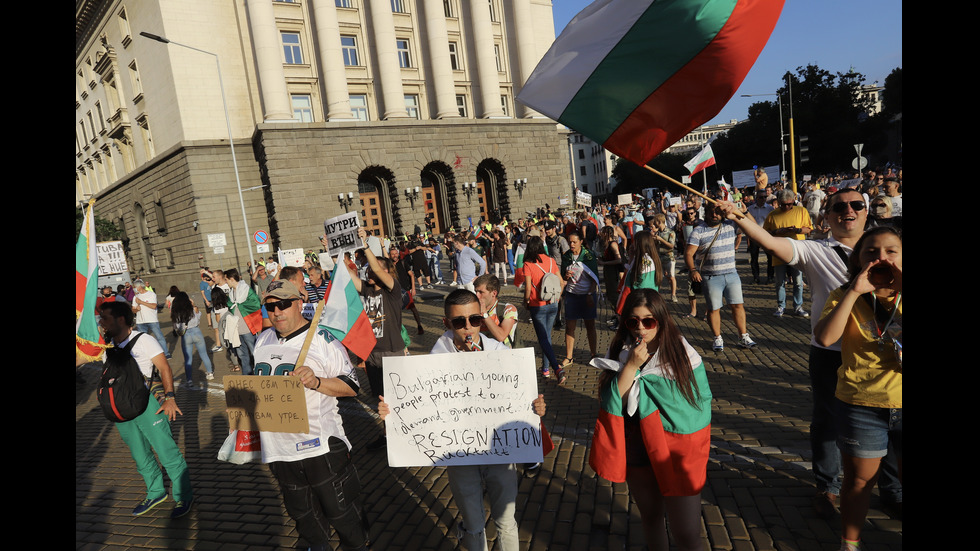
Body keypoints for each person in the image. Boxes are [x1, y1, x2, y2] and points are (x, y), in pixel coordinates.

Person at [718, 189, 902, 520]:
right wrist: (738, 216)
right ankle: (827, 488)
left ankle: (893, 491)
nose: (848, 210)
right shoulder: (815, 249)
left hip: (886, 356)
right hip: (831, 352)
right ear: (826, 216)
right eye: (839, 206)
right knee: (827, 421)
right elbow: (772, 243)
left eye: (856, 204)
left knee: (887, 420)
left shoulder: (891, 249)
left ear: (866, 212)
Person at [377, 289, 547, 551]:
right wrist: (393, 414)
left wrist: (535, 407)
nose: (468, 327)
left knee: (506, 521)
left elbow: (521, 396)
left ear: (482, 318)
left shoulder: (499, 351)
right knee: (474, 523)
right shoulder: (435, 362)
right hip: (460, 454)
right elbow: (415, 407)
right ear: (447, 324)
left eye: (475, 319)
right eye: (459, 322)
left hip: (499, 451)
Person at [589, 288, 711, 551]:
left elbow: (696, 411)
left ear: (661, 320)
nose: (640, 328)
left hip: (675, 448)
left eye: (648, 321)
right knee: (651, 517)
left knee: (687, 533)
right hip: (637, 443)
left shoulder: (683, 356)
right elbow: (614, 404)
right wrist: (631, 366)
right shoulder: (623, 350)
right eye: (633, 321)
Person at [253, 280, 370, 551]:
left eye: (283, 304)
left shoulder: (322, 339)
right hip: (279, 451)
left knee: (344, 517)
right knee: (306, 524)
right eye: (270, 306)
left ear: (299, 303)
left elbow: (352, 388)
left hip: (320, 448)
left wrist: (317, 381)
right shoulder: (262, 339)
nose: (277, 311)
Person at [813, 227, 902, 551]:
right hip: (861, 404)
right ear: (858, 259)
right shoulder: (844, 293)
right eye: (871, 252)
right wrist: (854, 291)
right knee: (859, 482)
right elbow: (824, 338)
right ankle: (850, 543)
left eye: (891, 251)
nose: (881, 258)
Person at [98, 301, 193, 519]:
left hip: (148, 403)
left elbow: (164, 367)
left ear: (121, 319)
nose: (101, 323)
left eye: (105, 318)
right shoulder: (107, 344)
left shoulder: (143, 340)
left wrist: (169, 398)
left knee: (167, 451)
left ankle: (183, 495)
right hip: (120, 408)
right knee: (140, 455)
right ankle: (156, 492)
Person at [341, 228, 407, 452]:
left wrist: (366, 245)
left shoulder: (392, 290)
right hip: (372, 353)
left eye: (377, 267)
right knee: (382, 400)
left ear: (388, 272)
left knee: (398, 398)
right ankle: (388, 436)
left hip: (391, 351)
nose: (372, 270)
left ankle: (406, 433)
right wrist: (335, 252)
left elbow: (378, 268)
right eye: (370, 267)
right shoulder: (368, 289)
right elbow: (349, 275)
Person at [685, 204, 757, 352]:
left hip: (732, 274)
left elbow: (753, 226)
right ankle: (717, 338)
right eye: (711, 212)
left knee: (738, 305)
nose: (714, 215)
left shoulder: (731, 225)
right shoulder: (698, 231)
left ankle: (743, 335)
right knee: (713, 309)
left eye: (717, 212)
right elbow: (688, 253)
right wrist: (693, 270)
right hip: (710, 277)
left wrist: (744, 211)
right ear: (706, 213)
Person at [522, 235, 566, 384]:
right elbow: (561, 281)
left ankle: (556, 368)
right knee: (547, 337)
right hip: (552, 303)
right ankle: (545, 368)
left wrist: (525, 301)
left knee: (543, 339)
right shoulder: (551, 261)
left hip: (537, 304)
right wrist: (558, 296)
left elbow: (528, 287)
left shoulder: (528, 264)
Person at [763, 190, 813, 318]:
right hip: (778, 252)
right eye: (783, 204)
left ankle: (798, 306)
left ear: (793, 201)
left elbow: (808, 229)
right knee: (779, 281)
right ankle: (781, 306)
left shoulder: (801, 211)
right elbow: (765, 233)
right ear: (778, 202)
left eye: (789, 204)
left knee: (798, 281)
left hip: (797, 251)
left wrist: (797, 230)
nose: (786, 207)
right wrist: (777, 231)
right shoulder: (773, 215)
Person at [560, 231, 601, 366]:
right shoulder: (566, 256)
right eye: (569, 242)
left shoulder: (589, 256)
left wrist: (590, 294)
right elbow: (562, 277)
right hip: (572, 295)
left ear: (581, 242)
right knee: (570, 327)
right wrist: (566, 276)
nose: (571, 244)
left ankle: (594, 354)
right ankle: (569, 357)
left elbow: (595, 278)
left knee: (590, 326)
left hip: (587, 295)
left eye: (574, 242)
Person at [170, 291, 213, 386]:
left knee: (188, 359)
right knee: (204, 354)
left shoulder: (176, 313)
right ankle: (210, 373)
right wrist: (194, 305)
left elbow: (176, 327)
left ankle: (189, 380)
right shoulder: (193, 309)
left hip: (186, 336)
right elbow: (198, 319)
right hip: (197, 332)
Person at [474, 274, 518, 349]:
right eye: (476, 291)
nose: (477, 295)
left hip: (503, 355)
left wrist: (484, 315)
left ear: (494, 293)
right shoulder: (473, 308)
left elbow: (501, 336)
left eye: (481, 292)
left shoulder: (508, 309)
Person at [131, 279, 171, 359]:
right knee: (142, 339)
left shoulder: (151, 294)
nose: (134, 289)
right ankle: (146, 355)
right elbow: (133, 309)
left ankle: (166, 353)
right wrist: (136, 309)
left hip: (152, 320)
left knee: (159, 337)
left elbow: (153, 306)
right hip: (140, 322)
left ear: (139, 287)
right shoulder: (135, 297)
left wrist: (141, 302)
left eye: (135, 287)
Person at [746, 190, 775, 284]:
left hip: (766, 236)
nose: (763, 199)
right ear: (756, 198)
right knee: (754, 258)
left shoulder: (770, 209)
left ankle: (770, 277)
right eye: (761, 197)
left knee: (770, 258)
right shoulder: (750, 209)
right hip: (754, 236)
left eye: (764, 197)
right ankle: (756, 277)